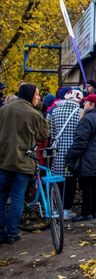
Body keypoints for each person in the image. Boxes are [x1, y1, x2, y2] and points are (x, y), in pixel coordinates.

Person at [0, 84, 49, 244]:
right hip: (22, 162)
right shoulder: (34, 114)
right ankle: (12, 233)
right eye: (37, 95)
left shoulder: (4, 109)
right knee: (17, 198)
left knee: (1, 197)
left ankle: (1, 233)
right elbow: (43, 134)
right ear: (30, 95)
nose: (38, 98)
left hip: (3, 161)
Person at [66, 94, 96, 222]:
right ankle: (94, 211)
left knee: (86, 185)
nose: (83, 104)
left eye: (86, 102)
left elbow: (80, 141)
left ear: (92, 105)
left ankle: (86, 213)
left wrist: (70, 155)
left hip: (87, 156)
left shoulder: (87, 119)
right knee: (94, 183)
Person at [48, 89, 84, 220]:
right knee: (70, 181)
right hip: (73, 152)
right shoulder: (80, 112)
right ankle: (66, 209)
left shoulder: (55, 111)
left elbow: (51, 133)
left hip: (58, 151)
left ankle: (57, 207)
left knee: (58, 180)